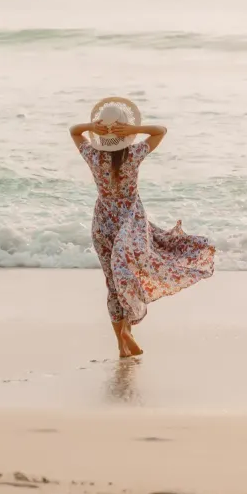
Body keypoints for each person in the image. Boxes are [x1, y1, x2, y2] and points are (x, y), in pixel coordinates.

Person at [70, 97, 215, 358]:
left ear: (101, 134)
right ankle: (128, 330)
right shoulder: (134, 154)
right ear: (124, 131)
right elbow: (161, 131)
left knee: (113, 282)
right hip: (130, 224)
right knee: (132, 273)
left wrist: (93, 127)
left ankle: (122, 341)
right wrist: (134, 131)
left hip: (103, 224)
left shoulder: (92, 155)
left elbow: (74, 131)